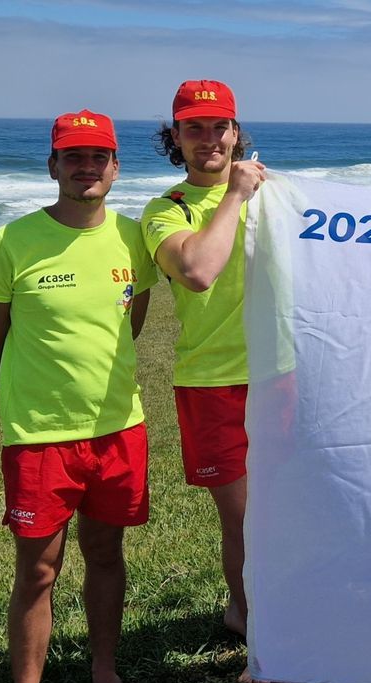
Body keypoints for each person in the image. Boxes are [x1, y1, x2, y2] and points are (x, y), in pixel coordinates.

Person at [0, 109, 155, 683]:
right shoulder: (10, 242)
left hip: (118, 430)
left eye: (98, 157)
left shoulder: (134, 239)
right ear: (53, 166)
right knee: (39, 569)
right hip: (40, 436)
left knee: (106, 554)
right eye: (73, 157)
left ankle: (104, 672)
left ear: (115, 168)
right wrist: (29, 394)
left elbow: (132, 320)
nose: (86, 168)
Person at [141, 80, 266, 647]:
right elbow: (196, 271)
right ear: (176, 137)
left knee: (293, 508)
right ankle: (247, 615)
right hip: (212, 382)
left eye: (219, 126)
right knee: (242, 517)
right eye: (194, 128)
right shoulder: (164, 211)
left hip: (281, 373)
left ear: (236, 133)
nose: (208, 138)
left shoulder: (278, 192)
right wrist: (235, 197)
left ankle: (290, 607)